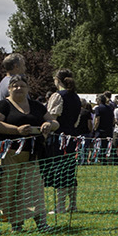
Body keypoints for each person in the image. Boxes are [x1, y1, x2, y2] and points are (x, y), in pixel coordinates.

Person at [0, 74, 56, 232]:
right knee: (9, 188)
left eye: (22, 85)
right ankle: (16, 224)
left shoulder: (36, 106)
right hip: (9, 154)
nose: (18, 88)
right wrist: (16, 130)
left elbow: (55, 122)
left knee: (33, 188)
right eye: (15, 85)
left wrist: (48, 124)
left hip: (32, 154)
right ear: (9, 88)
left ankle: (41, 223)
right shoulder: (2, 105)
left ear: (28, 88)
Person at [44, 69, 83, 216]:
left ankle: (60, 206)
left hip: (60, 138)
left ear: (57, 80)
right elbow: (76, 121)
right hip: (72, 137)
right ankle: (72, 204)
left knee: (59, 171)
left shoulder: (58, 96)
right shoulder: (76, 97)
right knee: (70, 170)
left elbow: (52, 118)